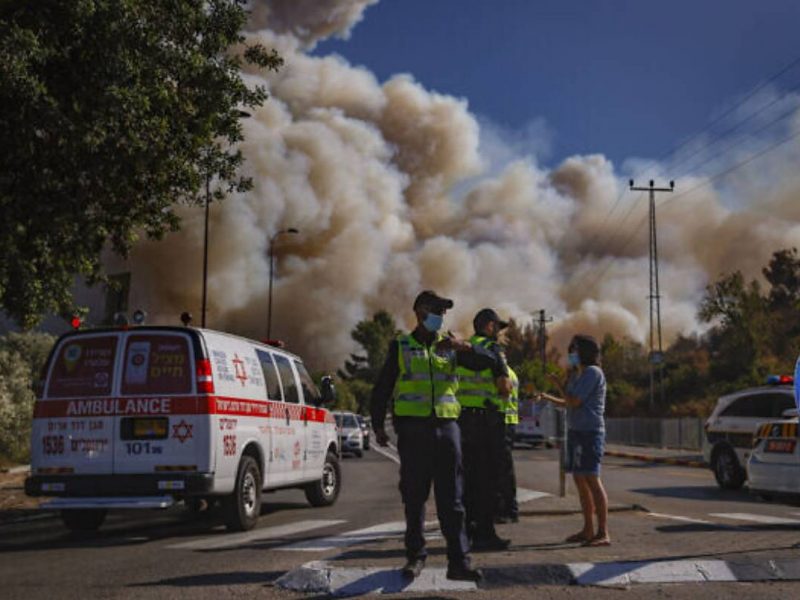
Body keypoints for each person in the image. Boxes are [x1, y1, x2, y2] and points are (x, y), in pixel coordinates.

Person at [370, 291, 509, 581]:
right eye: (436, 310)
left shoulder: (452, 346)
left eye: (444, 312)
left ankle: (459, 562)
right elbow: (383, 387)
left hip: (447, 429)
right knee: (414, 497)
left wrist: (465, 347)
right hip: (413, 430)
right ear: (420, 311)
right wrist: (378, 425)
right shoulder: (401, 345)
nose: (441, 316)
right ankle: (415, 557)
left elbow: (492, 358)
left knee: (453, 501)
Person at [539, 334, 610, 547]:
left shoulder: (592, 373)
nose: (571, 354)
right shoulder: (577, 375)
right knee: (580, 480)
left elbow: (575, 401)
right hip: (577, 431)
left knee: (591, 479)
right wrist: (550, 393)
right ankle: (588, 529)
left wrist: (558, 385)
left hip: (590, 432)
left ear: (585, 352)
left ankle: (603, 532)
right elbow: (567, 402)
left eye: (574, 350)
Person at [456, 308, 513, 550]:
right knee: (489, 481)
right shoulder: (493, 350)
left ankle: (467, 532)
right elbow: (503, 386)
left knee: (467, 481)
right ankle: (486, 535)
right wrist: (507, 386)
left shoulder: (462, 350)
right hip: (488, 424)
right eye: (497, 328)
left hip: (463, 421)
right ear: (489, 326)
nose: (499, 333)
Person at [495, 365, 519, 524]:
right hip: (508, 421)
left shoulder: (502, 371)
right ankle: (509, 508)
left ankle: (507, 509)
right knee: (505, 469)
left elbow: (503, 392)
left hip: (502, 421)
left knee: (502, 470)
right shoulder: (511, 371)